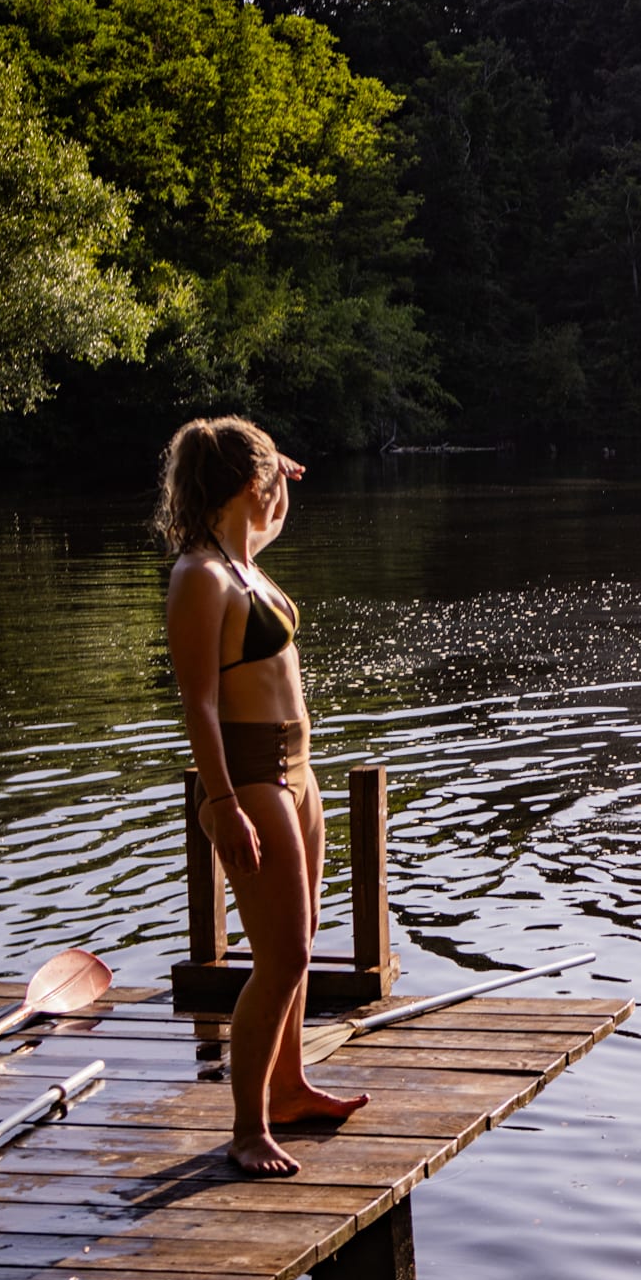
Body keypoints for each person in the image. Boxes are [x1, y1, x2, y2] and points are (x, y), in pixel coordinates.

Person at [158, 417, 367, 1177]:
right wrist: (221, 805)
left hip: (297, 771)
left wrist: (273, 469)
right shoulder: (200, 576)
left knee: (299, 941)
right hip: (251, 776)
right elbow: (199, 704)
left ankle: (290, 1087)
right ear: (250, 483)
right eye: (270, 481)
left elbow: (265, 524)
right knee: (282, 954)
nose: (279, 496)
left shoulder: (241, 562)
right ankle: (247, 1126)